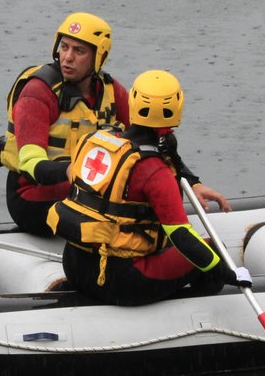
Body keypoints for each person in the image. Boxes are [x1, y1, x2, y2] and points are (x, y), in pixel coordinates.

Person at [0, 11, 227, 234]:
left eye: (79, 51)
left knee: (157, 181)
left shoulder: (112, 91)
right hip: (32, 196)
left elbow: (155, 139)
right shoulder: (37, 92)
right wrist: (70, 172)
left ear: (98, 56)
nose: (67, 58)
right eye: (64, 47)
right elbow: (29, 162)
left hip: (88, 187)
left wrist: (191, 182)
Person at [47, 70, 248, 305]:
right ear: (177, 107)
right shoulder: (155, 171)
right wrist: (228, 272)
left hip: (74, 266)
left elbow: (166, 152)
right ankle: (193, 315)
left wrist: (193, 182)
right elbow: (181, 236)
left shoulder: (97, 140)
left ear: (133, 101)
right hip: (121, 282)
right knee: (214, 251)